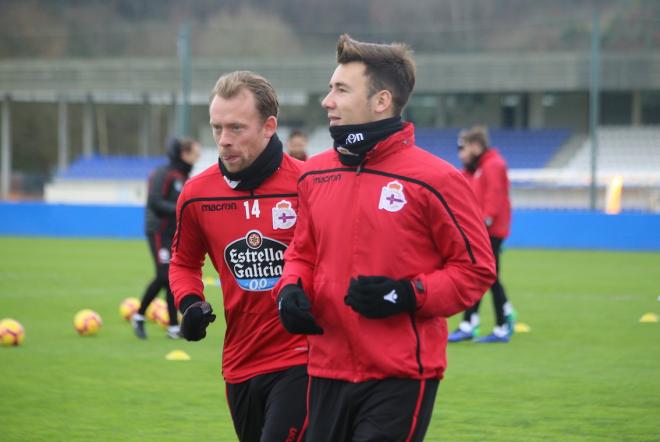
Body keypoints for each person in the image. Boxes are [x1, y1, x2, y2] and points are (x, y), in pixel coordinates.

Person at [274, 34, 496, 442]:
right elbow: (301, 252)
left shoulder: (437, 179)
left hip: (401, 374)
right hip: (325, 367)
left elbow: (477, 270)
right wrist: (290, 289)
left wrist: (407, 294)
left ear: (381, 101)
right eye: (329, 89)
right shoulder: (314, 174)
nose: (328, 100)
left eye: (341, 89)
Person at [169, 71, 308, 442]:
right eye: (217, 128)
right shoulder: (197, 195)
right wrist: (191, 303)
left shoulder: (309, 185)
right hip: (240, 360)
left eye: (236, 128)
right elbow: (183, 262)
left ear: (268, 126)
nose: (224, 141)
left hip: (303, 356)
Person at [448, 126, 515, 343]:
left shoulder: (493, 165)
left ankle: (502, 323)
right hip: (482, 230)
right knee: (482, 275)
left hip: (490, 231)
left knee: (489, 277)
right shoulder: (476, 168)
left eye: (463, 147)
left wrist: (480, 225)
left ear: (476, 147)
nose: (460, 153)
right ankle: (472, 323)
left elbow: (493, 200)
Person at [132, 137, 201, 340]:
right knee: (164, 276)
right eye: (195, 153)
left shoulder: (184, 175)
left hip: (174, 233)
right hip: (158, 231)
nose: (197, 158)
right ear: (184, 153)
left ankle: (173, 327)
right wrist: (182, 210)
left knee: (173, 277)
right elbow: (154, 202)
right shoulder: (164, 173)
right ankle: (139, 316)